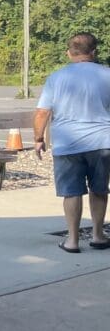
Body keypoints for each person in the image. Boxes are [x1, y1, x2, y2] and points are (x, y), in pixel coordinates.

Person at [33, 32, 110, 253]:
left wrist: (38, 139)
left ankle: (73, 240)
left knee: (71, 192)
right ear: (94, 52)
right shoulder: (107, 74)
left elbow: (42, 112)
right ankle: (98, 235)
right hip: (101, 141)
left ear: (69, 53)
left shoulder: (56, 77)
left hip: (67, 143)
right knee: (99, 189)